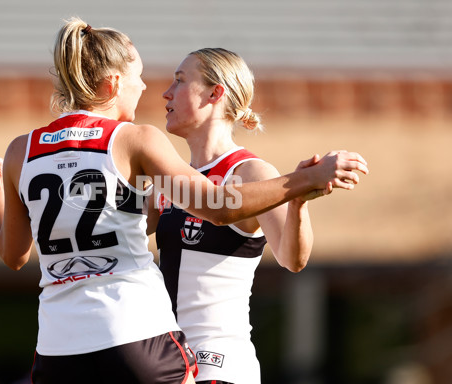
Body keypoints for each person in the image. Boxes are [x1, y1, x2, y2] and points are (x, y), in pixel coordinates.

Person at [0, 18, 368, 384]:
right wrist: (304, 180)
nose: (154, 88)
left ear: (215, 95)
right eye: (141, 76)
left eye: (178, 80)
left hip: (79, 349)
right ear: (114, 83)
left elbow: (17, 253)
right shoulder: (137, 147)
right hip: (140, 340)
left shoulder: (22, 151)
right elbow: (219, 208)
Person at [147, 47, 357, 383]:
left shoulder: (250, 171)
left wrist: (298, 202)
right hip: (171, 362)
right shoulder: (172, 177)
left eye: (180, 81)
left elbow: (293, 259)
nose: (165, 93)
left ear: (216, 93)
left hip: (220, 361)